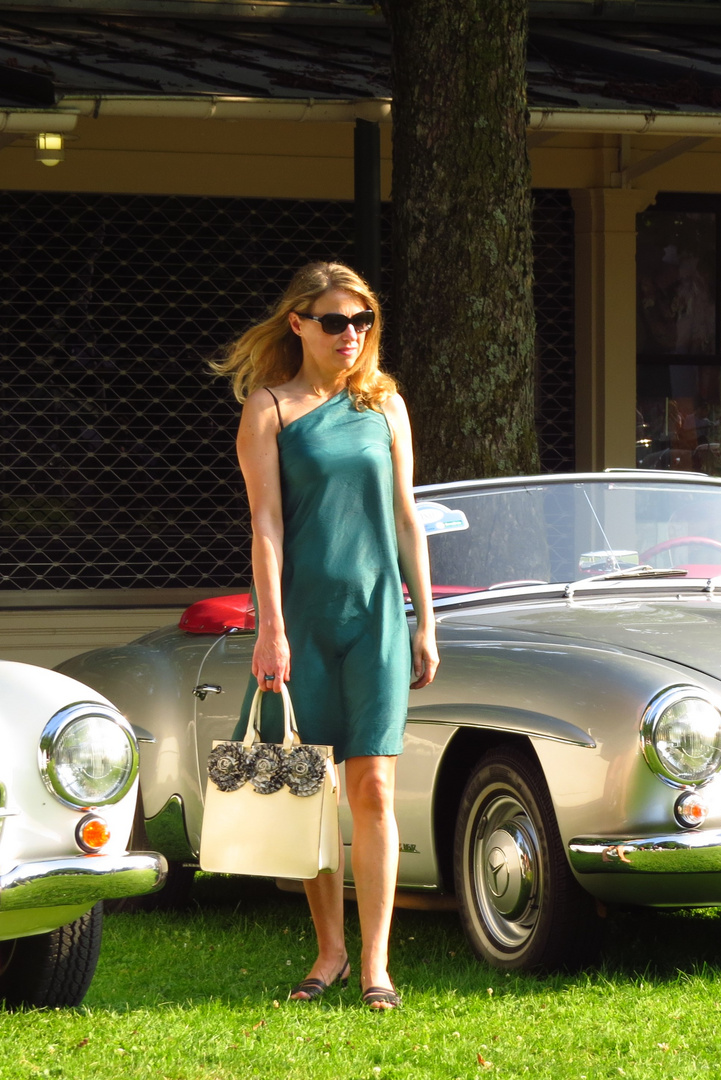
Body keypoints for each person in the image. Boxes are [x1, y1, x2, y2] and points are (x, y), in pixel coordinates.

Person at [213, 261, 438, 1011]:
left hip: (376, 615)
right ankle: (330, 952)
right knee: (309, 786)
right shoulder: (268, 408)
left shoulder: (387, 406)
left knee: (373, 785)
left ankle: (376, 965)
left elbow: (407, 517)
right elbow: (266, 526)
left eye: (363, 321)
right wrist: (269, 628)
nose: (352, 335)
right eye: (336, 321)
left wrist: (425, 620)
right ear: (299, 324)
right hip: (299, 621)